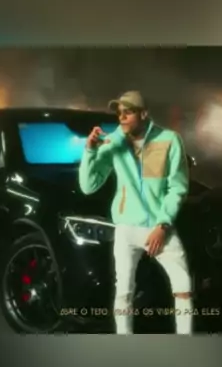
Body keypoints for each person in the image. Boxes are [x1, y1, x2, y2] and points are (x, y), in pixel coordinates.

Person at [79, 90, 193, 335]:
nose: (122, 117)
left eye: (128, 112)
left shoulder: (169, 139)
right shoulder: (113, 142)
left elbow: (177, 188)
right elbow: (88, 186)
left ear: (144, 114)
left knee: (183, 285)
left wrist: (162, 225)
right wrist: (90, 151)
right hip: (126, 227)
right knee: (124, 291)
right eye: (120, 113)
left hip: (159, 227)